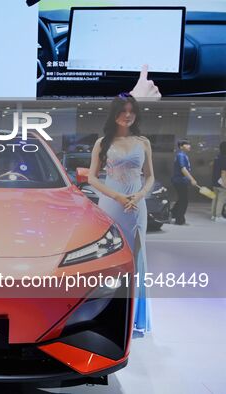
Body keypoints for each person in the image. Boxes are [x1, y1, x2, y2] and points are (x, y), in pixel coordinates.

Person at [88, 94, 154, 333]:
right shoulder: (103, 143)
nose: (127, 115)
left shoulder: (143, 142)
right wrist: (116, 196)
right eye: (123, 111)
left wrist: (139, 196)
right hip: (112, 205)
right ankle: (105, 314)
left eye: (131, 111)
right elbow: (92, 177)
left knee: (137, 258)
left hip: (137, 207)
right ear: (114, 114)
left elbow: (150, 176)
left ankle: (135, 318)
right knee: (108, 258)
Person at [171, 139, 197, 225]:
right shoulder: (181, 155)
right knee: (184, 200)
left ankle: (172, 213)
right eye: (187, 144)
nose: (189, 146)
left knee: (181, 199)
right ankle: (179, 219)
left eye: (189, 144)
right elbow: (183, 169)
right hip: (179, 181)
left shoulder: (183, 155)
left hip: (181, 181)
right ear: (181, 146)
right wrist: (192, 179)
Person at [211, 141, 226, 222]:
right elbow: (223, 172)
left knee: (215, 198)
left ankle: (213, 215)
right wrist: (224, 183)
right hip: (221, 182)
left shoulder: (217, 157)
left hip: (214, 181)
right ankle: (218, 216)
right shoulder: (225, 158)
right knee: (221, 199)